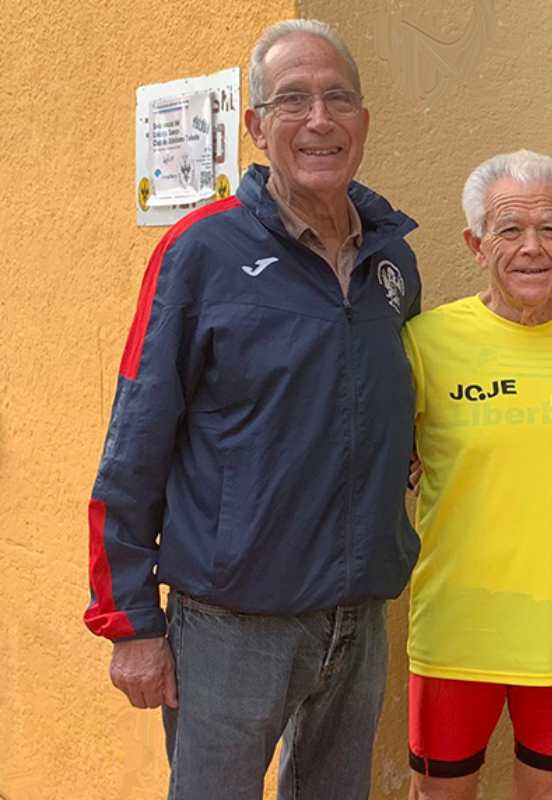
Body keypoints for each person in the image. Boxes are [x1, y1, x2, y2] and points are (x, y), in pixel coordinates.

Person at [84, 19, 420, 800]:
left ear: (363, 122)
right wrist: (129, 622)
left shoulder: (390, 260)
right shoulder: (201, 252)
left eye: (338, 99)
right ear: (255, 125)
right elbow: (134, 441)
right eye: (292, 99)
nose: (318, 120)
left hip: (357, 616)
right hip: (231, 625)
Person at [401, 150, 552, 800]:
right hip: (455, 631)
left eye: (549, 229)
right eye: (509, 229)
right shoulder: (424, 344)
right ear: (475, 244)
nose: (532, 248)